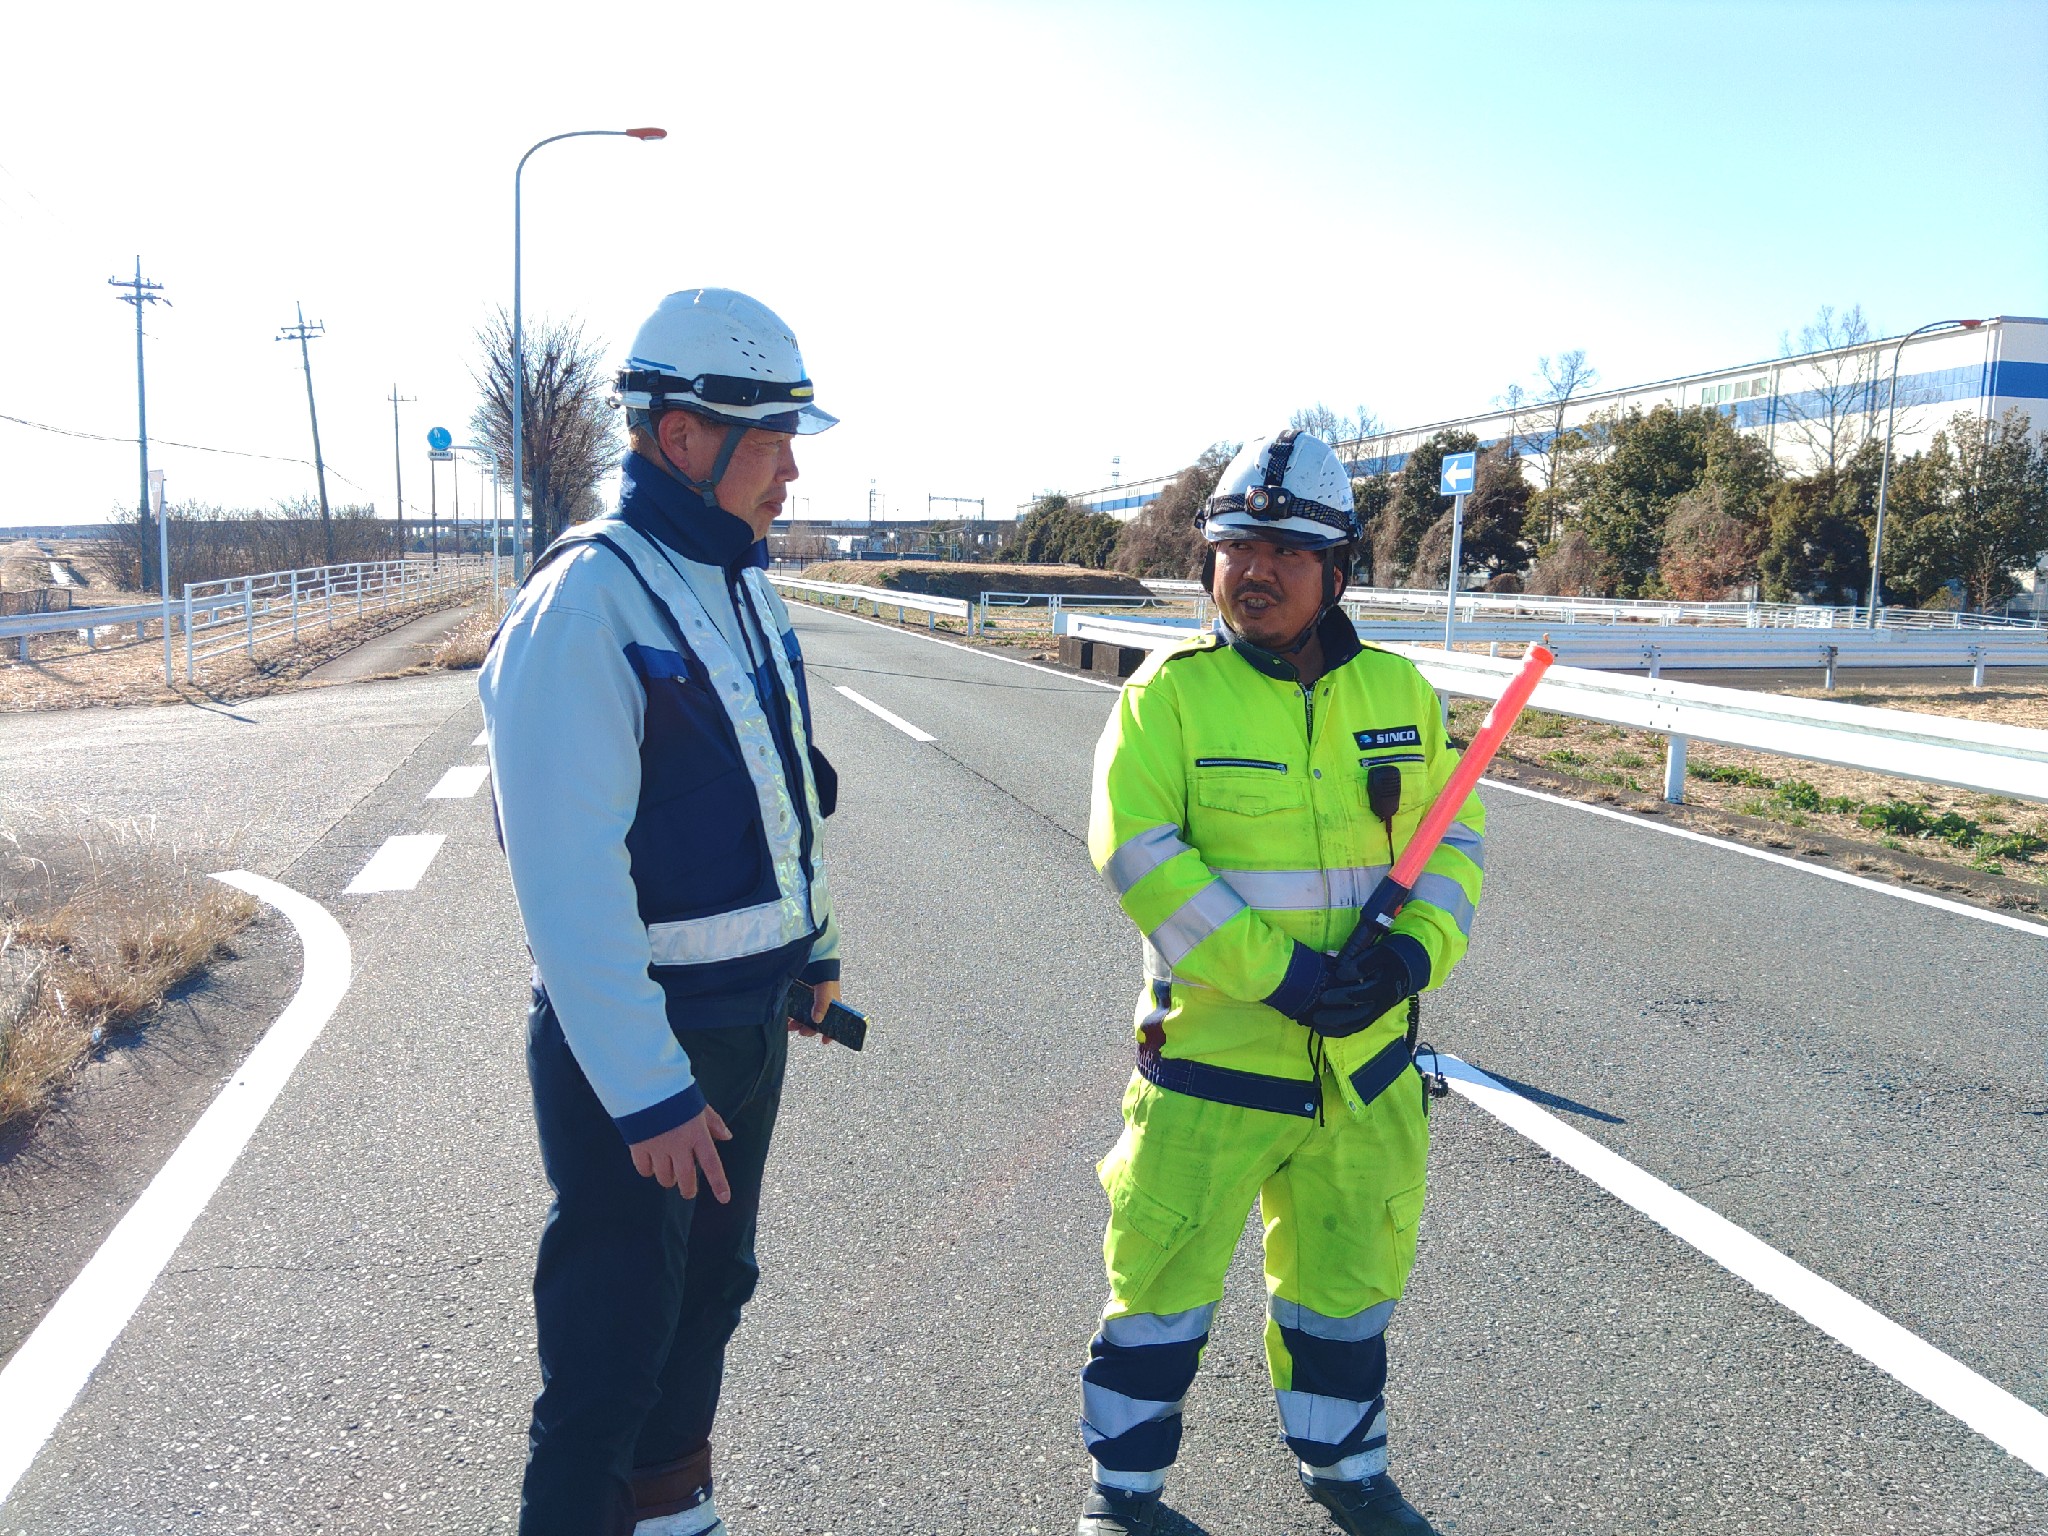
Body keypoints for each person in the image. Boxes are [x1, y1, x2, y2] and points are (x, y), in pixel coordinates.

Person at [1073, 430, 1485, 1536]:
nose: (1253, 571)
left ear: (1337, 570)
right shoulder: (1169, 697)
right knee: (1158, 1295)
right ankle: (1124, 1498)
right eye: (1234, 549)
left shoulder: (1399, 691)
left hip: (1365, 1073)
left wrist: (1408, 959)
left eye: (1286, 552)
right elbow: (1138, 854)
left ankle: (1347, 1471)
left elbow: (1453, 841)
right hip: (1213, 1068)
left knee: (1345, 1294)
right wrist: (1286, 978)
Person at [480, 288, 844, 1536]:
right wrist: (646, 1089)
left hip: (745, 1022)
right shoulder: (587, 599)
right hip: (639, 1046)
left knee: (710, 1296)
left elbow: (783, 791)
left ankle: (675, 1512)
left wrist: (814, 948)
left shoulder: (741, 585)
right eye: (771, 439)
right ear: (683, 435)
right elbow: (563, 876)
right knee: (611, 1339)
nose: (791, 470)